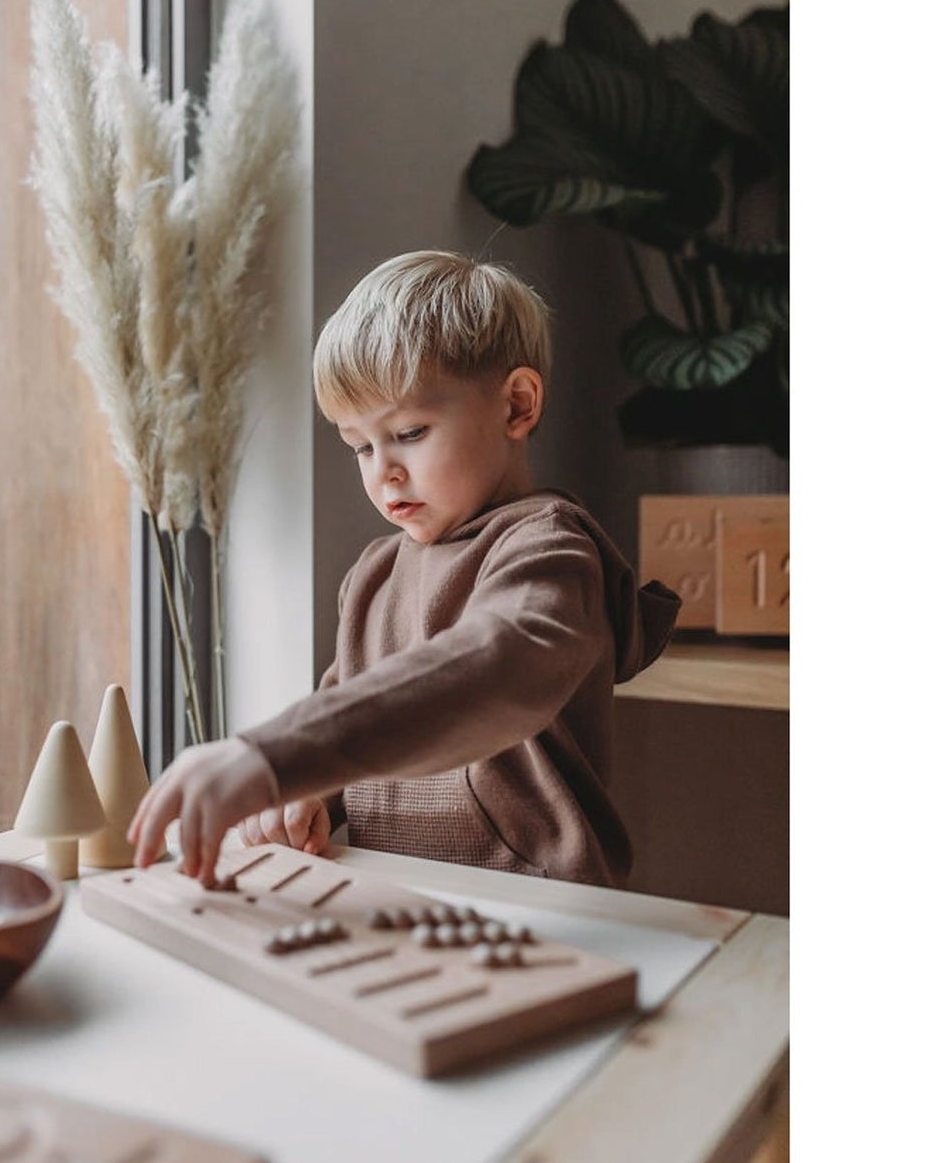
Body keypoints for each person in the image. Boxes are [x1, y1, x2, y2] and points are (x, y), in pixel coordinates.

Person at [129, 250, 680, 889]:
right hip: (390, 889)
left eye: (410, 432)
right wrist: (308, 797)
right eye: (360, 445)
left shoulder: (549, 549)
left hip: (536, 904)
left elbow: (497, 665)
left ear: (517, 406)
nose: (382, 470)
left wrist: (275, 755)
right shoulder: (373, 576)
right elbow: (352, 723)